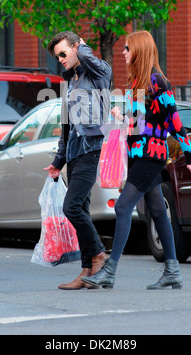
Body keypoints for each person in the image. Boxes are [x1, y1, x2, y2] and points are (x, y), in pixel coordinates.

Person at [82, 30, 191, 290]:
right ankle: (173, 271)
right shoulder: (138, 83)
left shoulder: (159, 82)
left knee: (123, 207)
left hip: (152, 156)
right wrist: (122, 116)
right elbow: (138, 125)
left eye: (127, 48)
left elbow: (174, 121)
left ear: (139, 50)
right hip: (138, 156)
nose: (123, 53)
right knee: (157, 211)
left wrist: (190, 155)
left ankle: (110, 271)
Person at [44, 30, 112, 289]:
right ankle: (86, 272)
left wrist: (83, 48)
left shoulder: (98, 73)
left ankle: (98, 255)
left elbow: (96, 64)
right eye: (57, 56)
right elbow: (67, 127)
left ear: (76, 48)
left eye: (63, 53)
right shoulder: (71, 81)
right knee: (80, 209)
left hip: (90, 149)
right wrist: (58, 162)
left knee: (71, 207)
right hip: (73, 153)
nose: (60, 59)